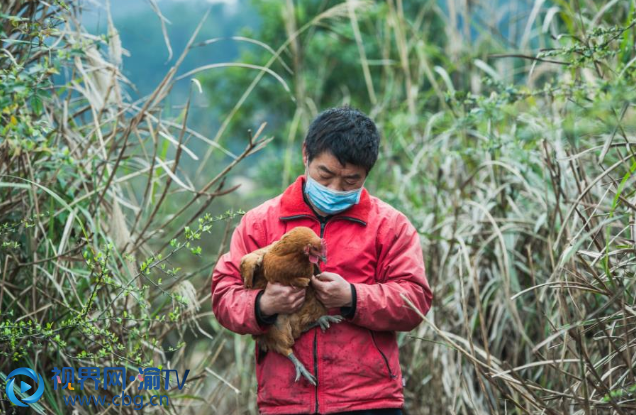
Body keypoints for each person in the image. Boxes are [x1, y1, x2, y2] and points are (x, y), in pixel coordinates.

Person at [211, 105, 433, 415]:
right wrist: (263, 304)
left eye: (350, 181)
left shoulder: (389, 226)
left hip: (368, 401)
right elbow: (223, 296)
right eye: (324, 175)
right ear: (306, 155)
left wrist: (353, 297)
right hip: (286, 401)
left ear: (367, 173)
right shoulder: (260, 222)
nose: (334, 189)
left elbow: (415, 299)